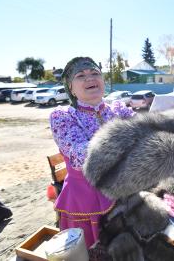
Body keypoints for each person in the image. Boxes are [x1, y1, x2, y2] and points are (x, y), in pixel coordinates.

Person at [49, 56, 135, 247]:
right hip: (86, 198)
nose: (89, 78)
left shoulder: (118, 109)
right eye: (80, 75)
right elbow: (82, 156)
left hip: (124, 190)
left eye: (95, 73)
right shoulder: (63, 116)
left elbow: (146, 131)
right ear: (70, 88)